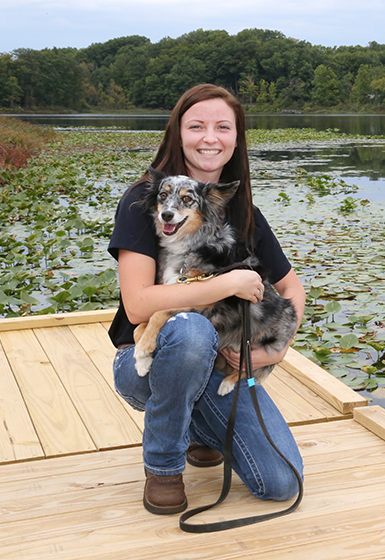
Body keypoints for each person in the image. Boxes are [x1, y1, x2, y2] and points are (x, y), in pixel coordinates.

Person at [107, 84, 306, 515]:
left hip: (220, 363)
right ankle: (163, 466)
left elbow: (293, 290)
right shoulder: (147, 199)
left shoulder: (242, 211)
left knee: (281, 481)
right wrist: (227, 283)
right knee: (192, 329)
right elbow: (139, 305)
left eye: (223, 127)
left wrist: (275, 350)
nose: (210, 138)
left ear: (236, 139)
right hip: (145, 359)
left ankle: (202, 428)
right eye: (196, 126)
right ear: (179, 133)